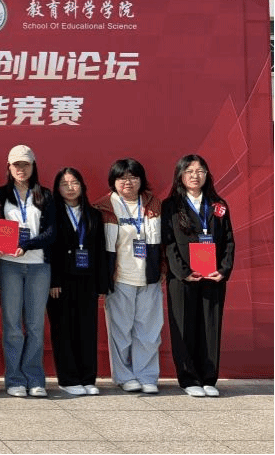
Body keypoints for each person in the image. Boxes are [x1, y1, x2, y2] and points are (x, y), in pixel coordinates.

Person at [162, 154, 235, 397]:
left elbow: (229, 241)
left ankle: (208, 378)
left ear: (207, 175)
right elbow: (168, 243)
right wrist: (183, 272)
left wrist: (223, 270)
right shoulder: (171, 205)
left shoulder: (218, 205)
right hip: (183, 278)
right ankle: (188, 379)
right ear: (180, 175)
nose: (195, 175)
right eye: (190, 171)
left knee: (210, 326)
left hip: (212, 277)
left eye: (200, 171)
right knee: (184, 326)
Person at [94, 158, 163, 394]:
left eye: (133, 177)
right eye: (121, 178)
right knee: (120, 332)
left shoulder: (154, 204)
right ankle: (124, 376)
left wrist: (162, 269)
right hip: (120, 277)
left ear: (141, 180)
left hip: (149, 277)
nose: (128, 182)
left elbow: (165, 241)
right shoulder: (103, 207)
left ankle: (147, 376)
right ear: (113, 181)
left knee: (149, 332)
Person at [0, 145, 55, 398]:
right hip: (9, 265)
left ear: (33, 166)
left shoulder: (45, 195)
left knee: (35, 325)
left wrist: (27, 245)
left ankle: (35, 378)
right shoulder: (0, 195)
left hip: (39, 266)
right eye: (16, 164)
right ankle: (15, 379)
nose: (21, 169)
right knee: (12, 326)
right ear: (9, 167)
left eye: (25, 164)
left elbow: (51, 233)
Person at [47, 167, 107, 396]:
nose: (70, 188)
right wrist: (53, 280)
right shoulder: (51, 213)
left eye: (74, 183)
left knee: (87, 329)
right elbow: (49, 249)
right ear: (57, 189)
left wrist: (101, 283)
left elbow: (100, 250)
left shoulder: (93, 215)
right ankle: (68, 379)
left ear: (82, 186)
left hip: (87, 280)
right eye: (64, 184)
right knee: (64, 330)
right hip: (60, 282)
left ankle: (87, 378)